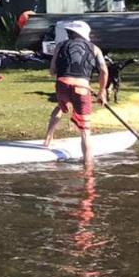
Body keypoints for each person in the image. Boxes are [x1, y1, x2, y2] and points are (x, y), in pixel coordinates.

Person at [43, 20, 109, 173]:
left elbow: (52, 71)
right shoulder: (95, 49)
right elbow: (104, 71)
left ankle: (48, 139)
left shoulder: (60, 46)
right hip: (82, 88)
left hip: (62, 85)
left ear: (70, 33)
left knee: (61, 106)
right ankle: (88, 168)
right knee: (85, 131)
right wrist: (101, 91)